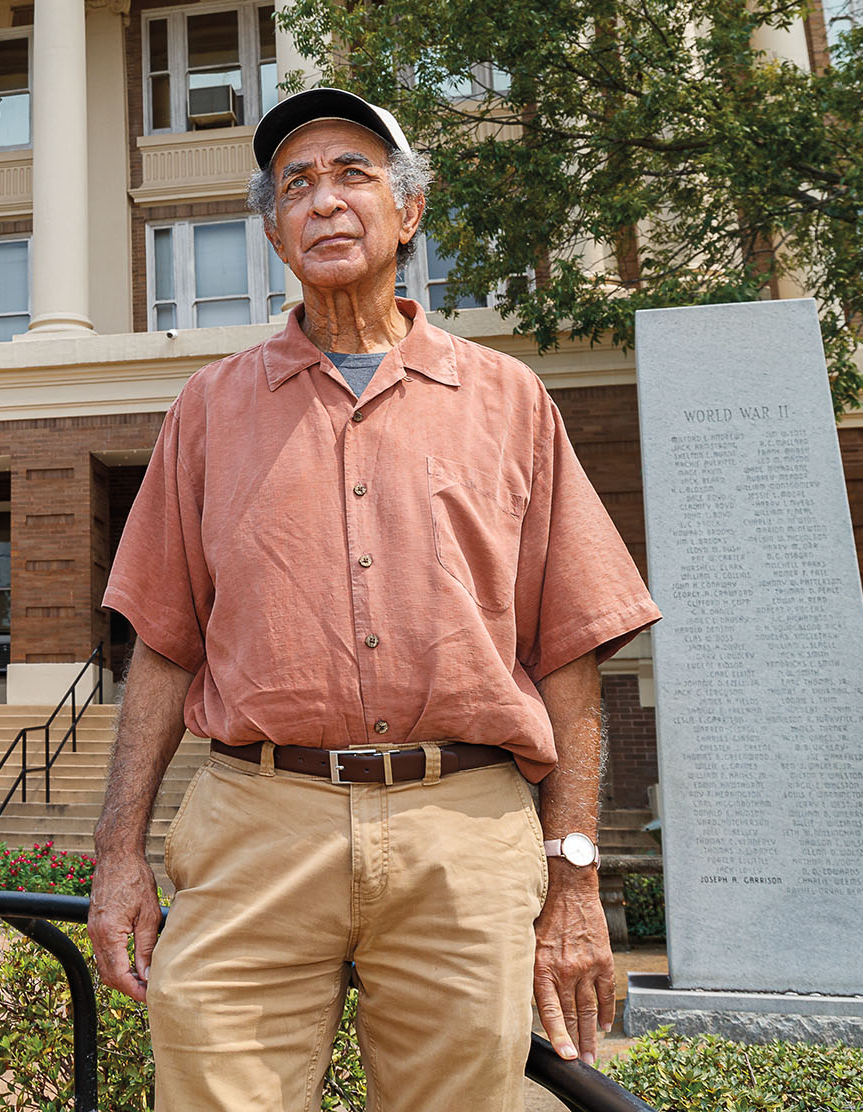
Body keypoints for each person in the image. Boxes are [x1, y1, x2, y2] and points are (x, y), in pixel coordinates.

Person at [88, 86, 660, 1111]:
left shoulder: (509, 399)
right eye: (296, 185)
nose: (324, 201)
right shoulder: (210, 410)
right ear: (272, 230)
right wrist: (117, 855)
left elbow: (569, 653)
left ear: (411, 210)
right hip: (256, 819)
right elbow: (164, 646)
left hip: (466, 829)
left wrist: (575, 879)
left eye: (353, 174)